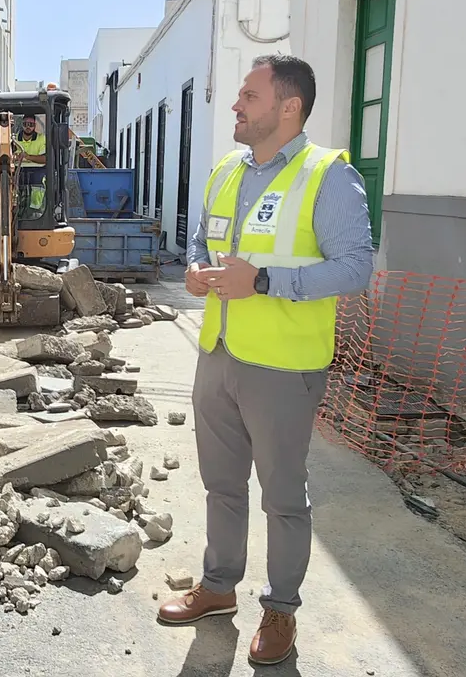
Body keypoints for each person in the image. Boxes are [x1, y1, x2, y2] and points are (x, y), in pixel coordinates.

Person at [155, 54, 374, 665]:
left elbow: (357, 266)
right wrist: (196, 271)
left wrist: (268, 281)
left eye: (248, 96)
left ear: (288, 107)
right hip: (218, 351)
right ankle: (219, 587)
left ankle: (281, 610)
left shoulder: (326, 175)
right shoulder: (227, 170)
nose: (235, 105)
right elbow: (204, 240)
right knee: (221, 485)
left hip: (283, 365)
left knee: (282, 494)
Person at [16, 114, 47, 215]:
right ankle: (17, 211)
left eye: (31, 124)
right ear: (22, 125)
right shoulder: (13, 140)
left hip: (38, 171)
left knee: (38, 188)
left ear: (35, 125)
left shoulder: (42, 138)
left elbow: (44, 159)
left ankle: (36, 212)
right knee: (15, 190)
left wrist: (27, 156)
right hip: (18, 171)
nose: (28, 127)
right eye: (25, 124)